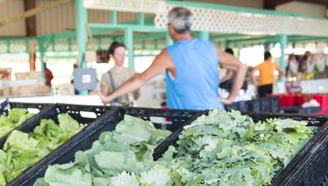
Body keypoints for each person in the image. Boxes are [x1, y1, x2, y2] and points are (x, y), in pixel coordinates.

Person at [100, 7, 246, 110]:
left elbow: (140, 79)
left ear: (170, 27)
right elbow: (241, 67)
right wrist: (230, 99)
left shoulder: (169, 54)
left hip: (189, 121)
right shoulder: (210, 47)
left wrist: (108, 98)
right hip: (216, 116)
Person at [99, 41, 140, 106]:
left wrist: (137, 90)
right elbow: (103, 100)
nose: (122, 57)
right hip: (114, 110)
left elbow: (136, 97)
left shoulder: (131, 72)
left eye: (124, 54)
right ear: (111, 56)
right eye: (119, 54)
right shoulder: (106, 76)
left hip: (130, 109)